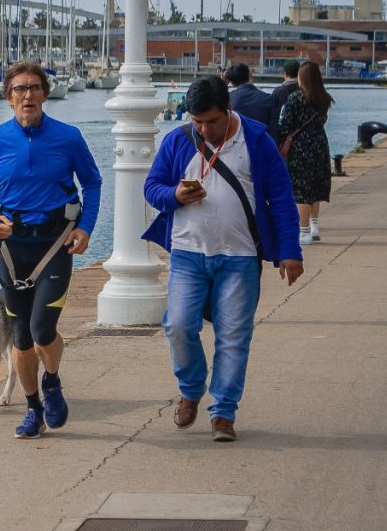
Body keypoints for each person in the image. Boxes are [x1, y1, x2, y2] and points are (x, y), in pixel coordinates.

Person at [142, 76, 304, 442]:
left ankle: (224, 412)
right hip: (187, 253)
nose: (203, 129)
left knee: (233, 335)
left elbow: (280, 197)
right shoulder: (178, 140)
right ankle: (191, 388)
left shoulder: (257, 141)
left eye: (211, 122)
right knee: (178, 325)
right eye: (196, 121)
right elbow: (151, 188)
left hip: (240, 256)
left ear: (228, 110)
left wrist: (290, 251)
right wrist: (175, 195)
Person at [0, 59, 102, 439]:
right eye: (20, 89)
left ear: (45, 93)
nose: (28, 95)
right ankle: (32, 407)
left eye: (34, 88)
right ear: (9, 98)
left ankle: (52, 381)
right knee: (21, 337)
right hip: (13, 250)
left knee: (43, 331)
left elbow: (93, 182)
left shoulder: (68, 137)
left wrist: (85, 228)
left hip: (55, 245)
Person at [277, 60, 334, 246]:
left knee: (300, 190)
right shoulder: (325, 98)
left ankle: (303, 232)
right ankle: (315, 226)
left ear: (302, 78)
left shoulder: (295, 98)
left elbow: (284, 125)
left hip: (301, 147)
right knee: (315, 187)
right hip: (320, 144)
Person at [223, 63, 277, 132]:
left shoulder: (227, 99)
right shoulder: (267, 98)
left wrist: (223, 83)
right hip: (261, 141)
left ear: (232, 82)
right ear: (249, 75)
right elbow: (274, 129)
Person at [270, 60, 302, 149]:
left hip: (284, 140)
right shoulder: (306, 90)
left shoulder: (278, 91)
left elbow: (273, 116)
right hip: (305, 137)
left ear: (285, 74)